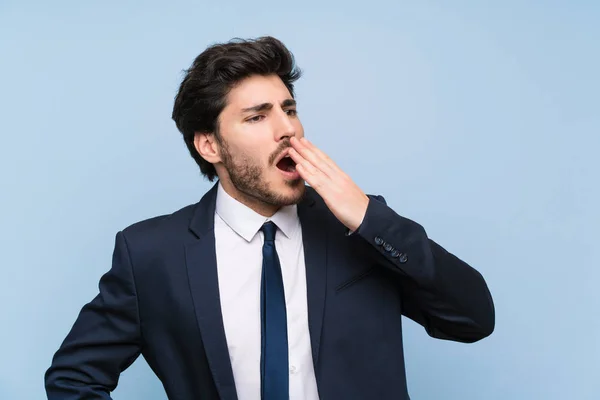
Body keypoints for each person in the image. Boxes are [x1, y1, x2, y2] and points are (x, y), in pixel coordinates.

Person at [45, 36, 495, 400]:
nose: (288, 129)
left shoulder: (359, 227)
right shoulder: (151, 254)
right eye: (258, 116)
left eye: (289, 109)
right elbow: (72, 380)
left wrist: (367, 219)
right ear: (210, 146)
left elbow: (472, 319)